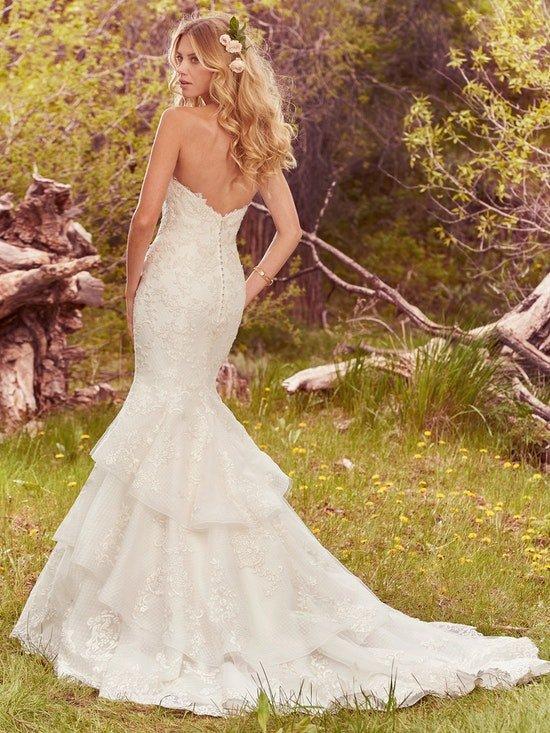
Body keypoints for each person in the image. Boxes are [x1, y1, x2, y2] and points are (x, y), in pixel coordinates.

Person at [10, 11, 549, 718]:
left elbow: (144, 220)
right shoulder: (256, 135)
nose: (179, 69)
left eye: (192, 58)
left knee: (164, 416)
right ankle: (185, 591)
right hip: (218, 293)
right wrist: (247, 287)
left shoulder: (177, 123)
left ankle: (153, 607)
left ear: (220, 65)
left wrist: (134, 282)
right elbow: (290, 231)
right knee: (186, 417)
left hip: (174, 289)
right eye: (177, 57)